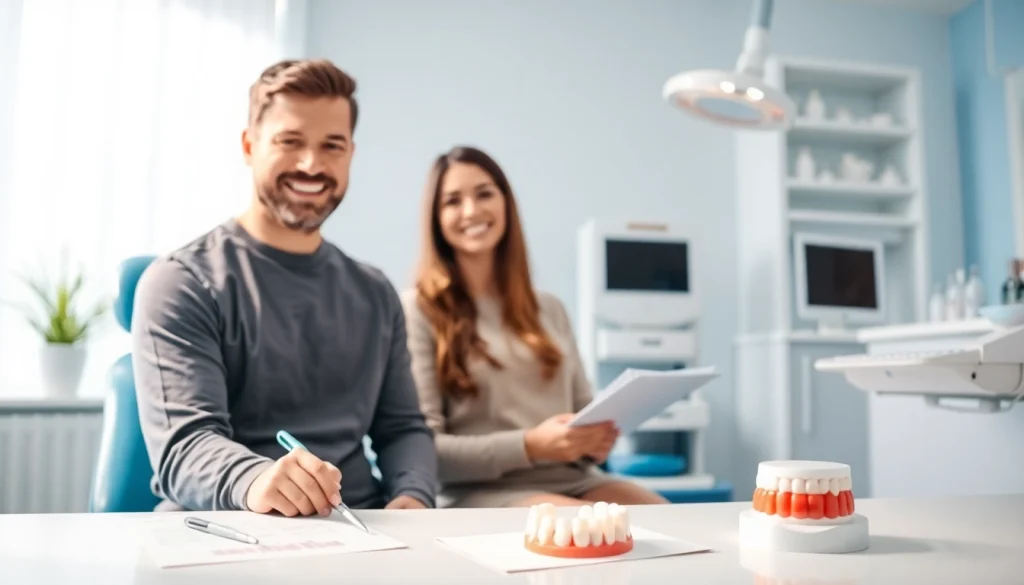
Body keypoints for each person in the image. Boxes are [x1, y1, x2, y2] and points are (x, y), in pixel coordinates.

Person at [132, 58, 438, 515]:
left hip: (362, 524)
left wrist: (413, 496)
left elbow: (403, 428)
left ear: (351, 153)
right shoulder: (181, 282)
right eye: (290, 142)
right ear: (249, 145)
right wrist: (256, 479)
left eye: (331, 145)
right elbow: (185, 447)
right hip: (230, 525)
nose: (312, 165)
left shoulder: (375, 292)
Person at [400, 145, 670, 508]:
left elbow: (584, 410)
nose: (471, 210)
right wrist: (529, 445)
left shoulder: (550, 308)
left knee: (667, 519)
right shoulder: (420, 310)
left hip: (576, 480)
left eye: (484, 194)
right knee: (600, 530)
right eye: (452, 201)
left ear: (506, 204)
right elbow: (424, 450)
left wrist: (596, 440)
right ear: (435, 217)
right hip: (484, 493)